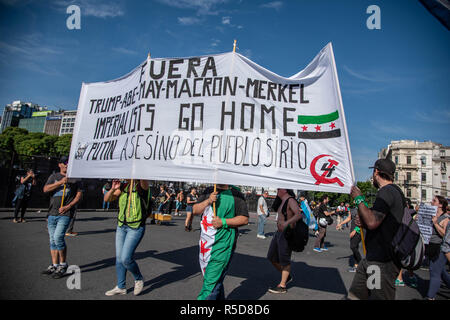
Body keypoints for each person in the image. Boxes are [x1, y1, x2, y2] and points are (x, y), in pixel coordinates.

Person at [347, 158, 404, 300]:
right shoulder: (394, 192)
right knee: (355, 296)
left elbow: (372, 222)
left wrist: (359, 198)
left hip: (381, 262)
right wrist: (365, 220)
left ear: (376, 172)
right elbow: (378, 220)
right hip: (372, 259)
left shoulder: (387, 192)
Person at [193, 184, 249, 300]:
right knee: (213, 279)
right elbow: (195, 210)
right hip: (206, 244)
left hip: (224, 244)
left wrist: (223, 222)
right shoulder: (209, 190)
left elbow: (244, 219)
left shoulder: (236, 194)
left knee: (210, 285)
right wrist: (208, 200)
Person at [103, 179, 150, 296]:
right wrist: (113, 189)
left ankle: (138, 278)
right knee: (119, 258)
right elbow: (107, 199)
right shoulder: (123, 187)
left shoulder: (141, 186)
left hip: (136, 227)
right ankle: (121, 286)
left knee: (126, 258)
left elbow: (144, 181)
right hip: (121, 226)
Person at [41, 156, 83, 279]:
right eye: (64, 163)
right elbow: (45, 189)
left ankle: (63, 264)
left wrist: (68, 206)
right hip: (52, 213)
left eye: (68, 163)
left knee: (58, 238)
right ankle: (55, 265)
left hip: (65, 214)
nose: (66, 165)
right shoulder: (53, 177)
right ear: (60, 164)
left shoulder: (76, 179)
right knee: (52, 240)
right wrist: (60, 182)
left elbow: (78, 195)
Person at [267, 189, 303, 294]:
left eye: (279, 188)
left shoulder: (291, 200)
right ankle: (286, 276)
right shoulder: (281, 200)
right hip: (278, 232)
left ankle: (282, 286)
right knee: (271, 257)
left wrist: (287, 223)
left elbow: (298, 214)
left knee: (285, 259)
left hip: (287, 234)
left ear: (285, 189)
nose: (277, 189)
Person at [425, 195, 449, 300]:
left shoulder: (446, 218)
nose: (431, 202)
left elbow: (445, 234)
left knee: (434, 272)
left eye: (434, 201)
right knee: (441, 272)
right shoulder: (432, 215)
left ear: (440, 205)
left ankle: (430, 297)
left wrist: (435, 223)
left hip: (440, 248)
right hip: (430, 246)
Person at [336, 206, 362, 272]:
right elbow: (349, 218)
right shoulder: (352, 209)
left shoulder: (362, 207)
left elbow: (363, 220)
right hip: (353, 230)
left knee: (353, 246)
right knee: (355, 247)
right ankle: (356, 266)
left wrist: (355, 230)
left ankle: (361, 263)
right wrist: (340, 224)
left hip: (358, 231)